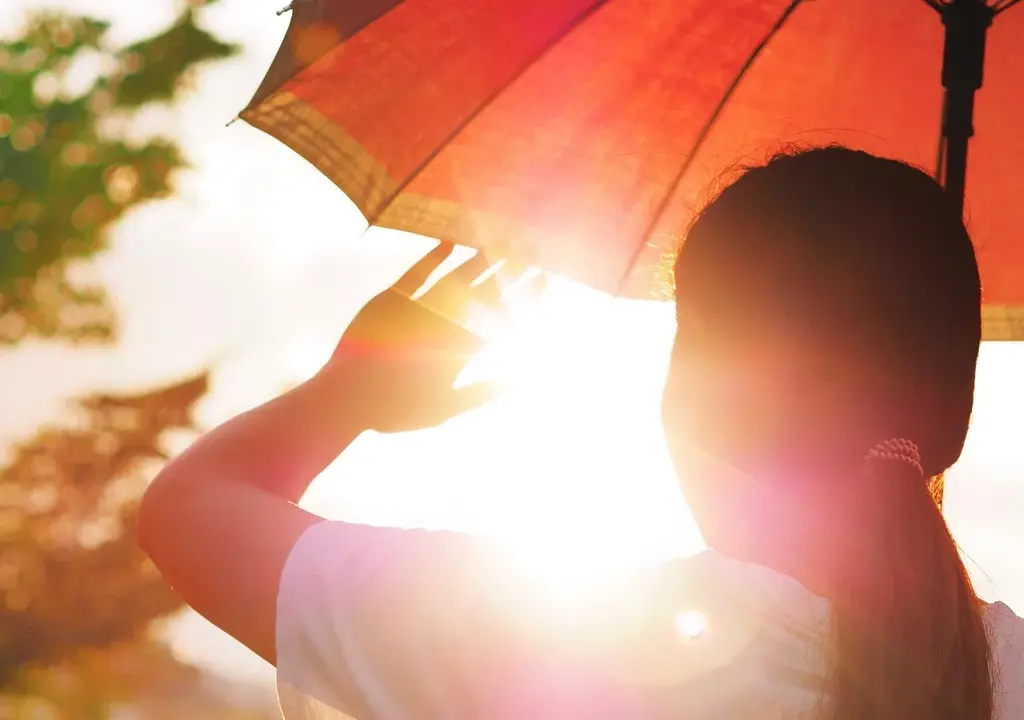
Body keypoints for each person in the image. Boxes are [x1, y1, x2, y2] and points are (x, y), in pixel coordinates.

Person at [137, 146, 1024, 719]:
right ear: (949, 420)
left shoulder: (562, 642)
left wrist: (344, 395)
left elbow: (189, 513)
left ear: (692, 396)